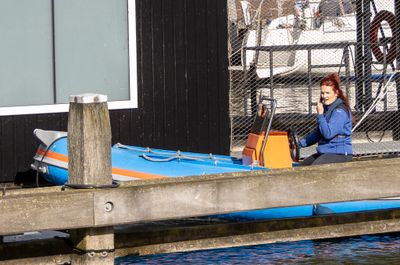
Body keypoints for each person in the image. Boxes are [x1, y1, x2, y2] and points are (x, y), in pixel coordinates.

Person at [299, 73, 352, 166]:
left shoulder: (340, 111)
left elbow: (328, 133)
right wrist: (298, 144)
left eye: (327, 93)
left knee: (315, 167)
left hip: (339, 153)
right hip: (325, 152)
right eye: (322, 93)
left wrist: (320, 115)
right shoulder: (327, 109)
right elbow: (319, 133)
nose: (324, 96)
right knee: (303, 166)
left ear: (336, 93)